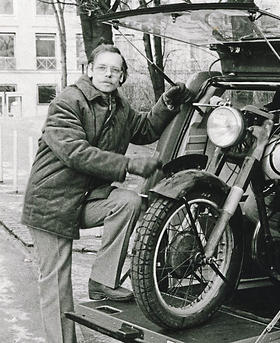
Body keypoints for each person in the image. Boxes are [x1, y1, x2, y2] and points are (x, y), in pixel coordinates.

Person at [21, 43, 193, 343]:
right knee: (57, 281)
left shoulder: (118, 105)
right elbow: (76, 153)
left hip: (87, 200)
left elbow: (144, 129)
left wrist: (165, 103)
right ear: (89, 69)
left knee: (127, 201)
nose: (109, 74)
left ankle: (102, 281)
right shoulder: (67, 101)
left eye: (115, 70)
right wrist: (129, 164)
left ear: (122, 76)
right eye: (102, 68)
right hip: (53, 203)